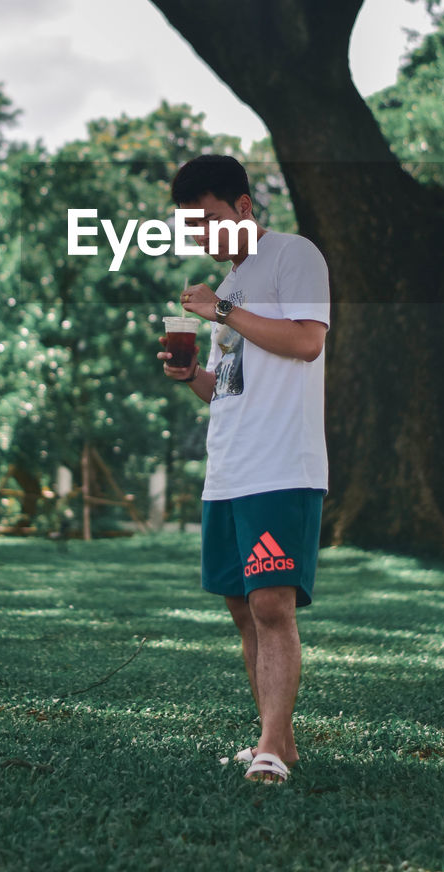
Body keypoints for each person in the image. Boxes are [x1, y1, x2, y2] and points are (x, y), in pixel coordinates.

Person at [158, 154, 329, 784]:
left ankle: (270, 748)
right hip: (228, 468)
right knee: (243, 608)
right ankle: (275, 744)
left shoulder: (293, 257)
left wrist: (221, 314)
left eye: (208, 219)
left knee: (272, 604)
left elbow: (308, 341)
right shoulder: (226, 290)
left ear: (244, 207)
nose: (202, 235)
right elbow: (230, 387)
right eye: (192, 227)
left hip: (282, 462)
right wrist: (191, 377)